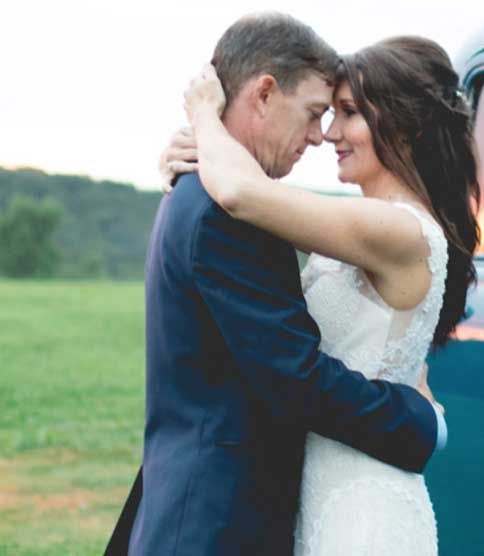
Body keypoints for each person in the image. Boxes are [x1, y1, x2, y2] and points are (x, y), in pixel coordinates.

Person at [108, 13, 449, 556]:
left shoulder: (215, 195)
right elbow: (296, 377)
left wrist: (203, 126)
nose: (321, 135)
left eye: (344, 115)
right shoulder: (226, 209)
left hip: (307, 506)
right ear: (265, 93)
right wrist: (421, 425)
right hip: (218, 522)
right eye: (317, 113)